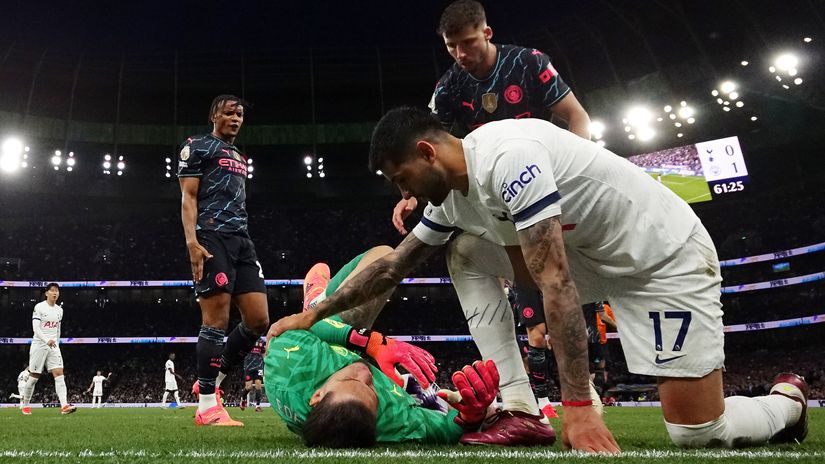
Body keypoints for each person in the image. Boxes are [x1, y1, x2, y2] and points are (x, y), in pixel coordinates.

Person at [271, 107, 809, 452]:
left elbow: (553, 282)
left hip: (660, 259)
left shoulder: (509, 157)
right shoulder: (456, 197)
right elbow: (393, 265)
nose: (400, 192)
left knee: (697, 433)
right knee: (461, 249)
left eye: (400, 177)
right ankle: (522, 409)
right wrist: (312, 314)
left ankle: (788, 402)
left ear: (427, 152)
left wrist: (577, 407)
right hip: (592, 260)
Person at [393, 0, 591, 236]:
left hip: (545, 172)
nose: (460, 54)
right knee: (465, 251)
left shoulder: (529, 62)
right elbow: (429, 145)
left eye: (468, 43)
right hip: (494, 185)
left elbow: (577, 115)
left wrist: (577, 168)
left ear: (487, 33)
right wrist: (414, 194)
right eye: (451, 46)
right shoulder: (447, 87)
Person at [265, 258, 507, 448]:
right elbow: (448, 430)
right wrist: (471, 417)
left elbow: (295, 325)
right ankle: (412, 389)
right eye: (372, 390)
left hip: (322, 341)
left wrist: (372, 342)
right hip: (398, 390)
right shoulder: (391, 422)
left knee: (382, 256)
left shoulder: (291, 365)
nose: (364, 374)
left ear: (316, 396)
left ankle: (316, 303)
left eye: (350, 380)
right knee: (474, 411)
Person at [178, 94, 269, 426]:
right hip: (212, 236)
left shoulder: (239, 156)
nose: (236, 118)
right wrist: (192, 241)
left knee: (258, 320)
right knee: (215, 321)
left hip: (242, 240)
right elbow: (188, 196)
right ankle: (206, 407)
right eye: (229, 113)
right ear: (214, 115)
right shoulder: (198, 147)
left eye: (240, 114)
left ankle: (213, 383)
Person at [20, 283, 77, 416]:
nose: (55, 293)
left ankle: (64, 406)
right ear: (46, 293)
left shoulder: (59, 310)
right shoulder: (39, 307)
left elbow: (58, 329)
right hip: (39, 344)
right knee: (34, 376)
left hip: (53, 346)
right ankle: (26, 405)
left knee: (59, 373)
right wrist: (47, 340)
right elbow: (36, 328)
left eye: (57, 291)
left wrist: (56, 342)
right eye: (52, 291)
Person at [240, 339, 265, 412]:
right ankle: (243, 399)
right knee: (249, 387)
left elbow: (263, 353)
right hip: (248, 367)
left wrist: (266, 362)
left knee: (258, 385)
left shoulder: (261, 342)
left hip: (259, 367)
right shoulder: (247, 341)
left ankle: (257, 406)